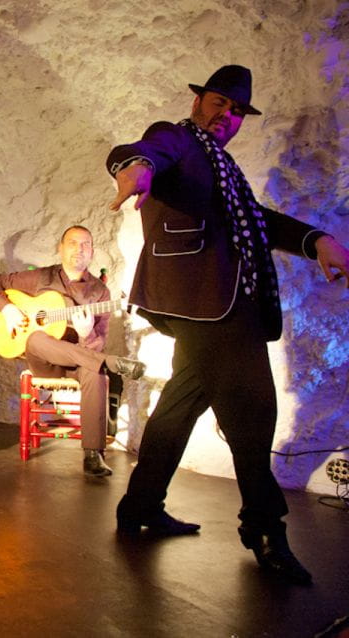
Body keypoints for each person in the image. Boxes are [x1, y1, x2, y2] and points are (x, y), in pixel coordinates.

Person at [106, 65, 349, 585]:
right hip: (202, 304)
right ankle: (264, 530)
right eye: (219, 102)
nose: (226, 115)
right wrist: (134, 168)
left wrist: (316, 241)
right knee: (254, 410)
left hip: (222, 305)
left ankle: (140, 507)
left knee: (178, 407)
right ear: (199, 101)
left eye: (236, 110)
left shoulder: (224, 165)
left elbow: (260, 220)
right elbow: (145, 151)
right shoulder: (176, 140)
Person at [0, 225, 146, 476]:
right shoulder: (41, 277)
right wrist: (7, 309)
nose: (79, 249)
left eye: (85, 244)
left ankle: (93, 455)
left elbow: (96, 343)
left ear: (92, 252)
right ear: (61, 248)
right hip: (43, 362)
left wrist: (84, 333)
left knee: (95, 372)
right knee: (36, 338)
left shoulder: (100, 293)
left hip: (78, 364)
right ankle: (111, 362)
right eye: (73, 243)